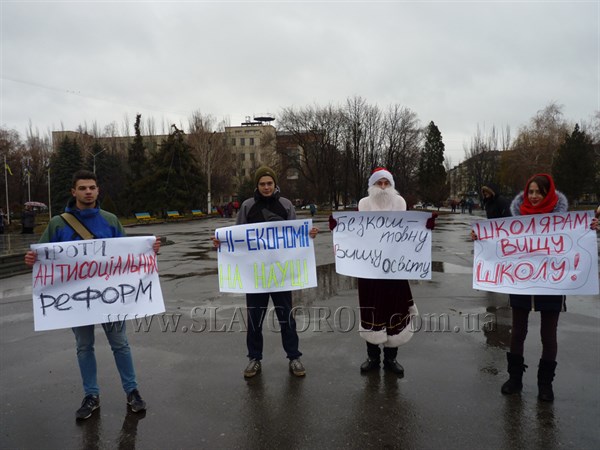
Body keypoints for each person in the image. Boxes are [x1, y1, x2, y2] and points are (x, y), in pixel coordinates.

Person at [24, 170, 160, 420]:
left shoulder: (110, 220)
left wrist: (148, 250)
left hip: (110, 298)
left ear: (98, 191)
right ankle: (91, 396)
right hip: (76, 301)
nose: (88, 191)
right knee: (84, 346)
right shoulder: (57, 224)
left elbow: (128, 256)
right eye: (83, 188)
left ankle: (132, 392)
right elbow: (42, 256)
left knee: (120, 344)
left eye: (92, 187)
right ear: (73, 192)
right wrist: (32, 258)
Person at [474, 173, 598, 402]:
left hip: (551, 284)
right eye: (530, 192)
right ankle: (515, 379)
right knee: (518, 332)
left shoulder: (564, 221)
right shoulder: (516, 219)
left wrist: (591, 228)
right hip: (521, 284)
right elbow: (498, 241)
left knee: (548, 335)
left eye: (538, 192)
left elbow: (579, 240)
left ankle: (545, 384)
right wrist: (480, 237)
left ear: (548, 194)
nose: (533, 196)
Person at [213, 166, 318, 379]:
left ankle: (294, 357)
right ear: (257, 185)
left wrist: (308, 235)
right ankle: (254, 358)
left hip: (281, 275)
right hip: (256, 277)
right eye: (262, 184)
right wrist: (222, 242)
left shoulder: (286, 205)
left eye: (269, 183)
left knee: (286, 318)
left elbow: (295, 235)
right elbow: (237, 235)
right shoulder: (247, 206)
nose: (266, 187)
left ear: (275, 184)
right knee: (254, 320)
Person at [354, 168, 420, 377]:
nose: (383, 187)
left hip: (394, 268)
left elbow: (408, 230)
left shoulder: (399, 203)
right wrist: (339, 228)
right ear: (372, 185)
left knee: (395, 307)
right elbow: (356, 232)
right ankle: (372, 357)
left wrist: (424, 228)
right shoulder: (363, 204)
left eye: (386, 183)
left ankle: (391, 358)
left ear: (391, 185)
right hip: (370, 268)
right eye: (379, 183)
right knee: (372, 308)